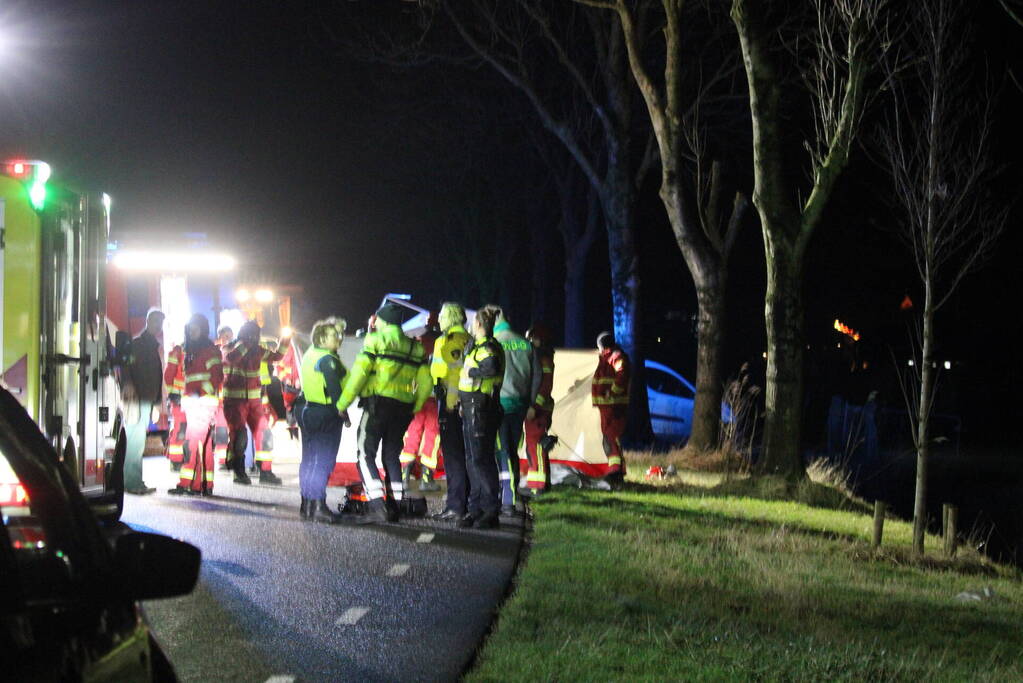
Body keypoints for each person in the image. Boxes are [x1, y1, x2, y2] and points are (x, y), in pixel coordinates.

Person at [336, 303, 432, 524]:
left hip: (377, 405)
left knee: (365, 453)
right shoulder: (414, 348)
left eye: (377, 319)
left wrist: (343, 404)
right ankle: (396, 506)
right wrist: (415, 406)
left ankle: (377, 505)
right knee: (391, 455)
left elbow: (359, 375)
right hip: (403, 408)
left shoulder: (375, 341)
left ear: (384, 320)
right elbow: (426, 383)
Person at [488, 306, 540, 515]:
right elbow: (537, 376)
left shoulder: (494, 343)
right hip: (520, 405)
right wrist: (531, 402)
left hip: (499, 404)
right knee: (511, 448)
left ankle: (507, 500)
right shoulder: (525, 343)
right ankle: (511, 492)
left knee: (503, 451)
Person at [297, 318, 349, 523]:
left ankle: (307, 504)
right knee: (324, 462)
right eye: (334, 335)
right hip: (326, 412)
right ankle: (319, 505)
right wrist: (342, 410)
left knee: (309, 459)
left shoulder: (311, 353)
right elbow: (335, 389)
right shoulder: (327, 359)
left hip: (310, 410)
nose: (339, 338)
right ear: (322, 338)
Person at [458, 306, 505, 529]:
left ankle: (490, 511)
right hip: (471, 407)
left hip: (482, 408)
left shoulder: (488, 347)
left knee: (482, 460)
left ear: (478, 324)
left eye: (472, 322)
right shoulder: (477, 346)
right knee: (472, 459)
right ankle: (475, 509)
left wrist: (471, 372)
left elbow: (491, 368)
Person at [167, 314, 224, 495]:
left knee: (191, 442)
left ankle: (185, 483)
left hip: (203, 403)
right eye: (190, 328)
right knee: (204, 445)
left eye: (195, 328)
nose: (192, 331)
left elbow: (216, 376)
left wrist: (201, 393)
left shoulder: (209, 350)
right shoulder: (192, 351)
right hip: (193, 402)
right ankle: (204, 485)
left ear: (203, 329)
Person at [223, 321, 284, 486]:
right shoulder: (230, 347)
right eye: (252, 335)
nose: (255, 338)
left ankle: (266, 471)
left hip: (254, 400)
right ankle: (239, 471)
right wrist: (245, 345)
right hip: (235, 401)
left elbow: (277, 357)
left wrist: (285, 340)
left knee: (264, 434)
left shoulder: (257, 350)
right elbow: (231, 358)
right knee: (240, 435)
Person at [430, 302, 471, 522]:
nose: (439, 320)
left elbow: (454, 373)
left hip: (451, 402)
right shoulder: (469, 339)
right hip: (467, 403)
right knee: (466, 454)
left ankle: (456, 506)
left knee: (453, 456)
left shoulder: (448, 340)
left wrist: (450, 401)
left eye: (442, 316)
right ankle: (465, 502)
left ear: (452, 318)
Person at [121, 308, 165, 495]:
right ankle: (132, 483)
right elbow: (126, 367)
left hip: (145, 400)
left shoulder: (150, 345)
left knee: (136, 442)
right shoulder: (139, 344)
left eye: (160, 323)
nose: (158, 326)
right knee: (135, 443)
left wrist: (156, 402)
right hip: (138, 400)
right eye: (155, 322)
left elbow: (156, 376)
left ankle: (134, 481)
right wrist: (129, 385)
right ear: (147, 321)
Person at [399, 322, 442, 493]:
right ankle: (426, 478)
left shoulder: (417, 343)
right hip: (434, 398)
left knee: (411, 435)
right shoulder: (441, 343)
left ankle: (404, 477)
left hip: (416, 398)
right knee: (432, 437)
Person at [592, 331, 630, 485]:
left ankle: (615, 472)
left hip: (614, 406)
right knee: (610, 439)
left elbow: (622, 375)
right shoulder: (606, 358)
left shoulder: (616, 357)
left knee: (610, 439)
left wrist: (612, 393)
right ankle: (617, 472)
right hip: (607, 406)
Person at [522, 323, 555, 495]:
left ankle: (538, 487)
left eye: (532, 338)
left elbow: (545, 386)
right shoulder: (539, 358)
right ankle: (540, 483)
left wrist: (535, 406)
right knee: (534, 445)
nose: (529, 341)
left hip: (538, 410)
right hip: (536, 408)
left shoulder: (543, 360)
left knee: (536, 445)